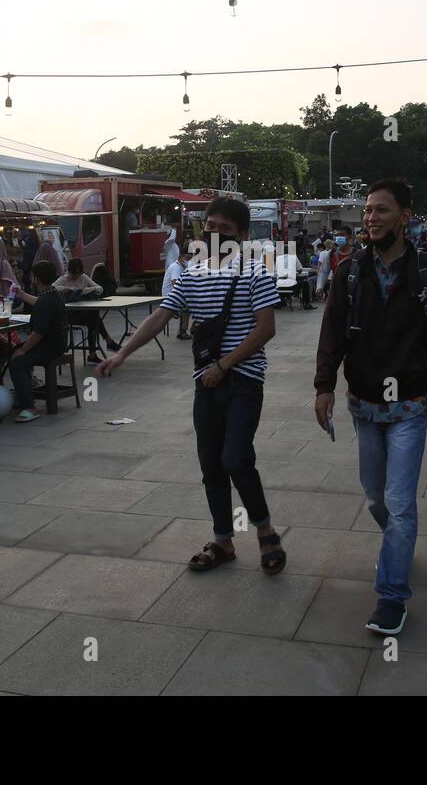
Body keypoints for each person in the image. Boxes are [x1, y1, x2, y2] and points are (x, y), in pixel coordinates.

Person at [97, 197, 286, 576]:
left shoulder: (255, 271)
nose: (215, 233)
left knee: (236, 458)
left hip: (244, 380)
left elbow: (266, 328)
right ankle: (223, 540)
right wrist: (123, 353)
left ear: (242, 235)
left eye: (225, 229)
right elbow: (162, 315)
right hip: (207, 383)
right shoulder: (190, 272)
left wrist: (224, 364)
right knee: (211, 465)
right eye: (211, 226)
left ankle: (265, 531)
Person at [314, 180, 427, 636]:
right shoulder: (349, 271)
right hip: (365, 406)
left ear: (405, 216)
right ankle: (400, 545)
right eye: (368, 210)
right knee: (375, 498)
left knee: (398, 502)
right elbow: (332, 332)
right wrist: (324, 386)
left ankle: (392, 596)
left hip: (410, 406)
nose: (371, 218)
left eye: (381, 210)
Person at [7, 261, 70, 422]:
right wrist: (21, 294)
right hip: (56, 342)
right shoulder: (52, 294)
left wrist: (23, 350)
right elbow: (39, 302)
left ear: (36, 279)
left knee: (17, 361)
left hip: (50, 346)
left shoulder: (47, 300)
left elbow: (38, 333)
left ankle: (29, 406)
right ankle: (25, 392)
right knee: (14, 352)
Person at [56, 257, 120, 362]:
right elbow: (54, 288)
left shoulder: (84, 278)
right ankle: (105, 344)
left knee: (93, 317)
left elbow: (100, 289)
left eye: (78, 274)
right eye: (74, 274)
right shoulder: (63, 279)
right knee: (94, 317)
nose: (76, 277)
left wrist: (91, 289)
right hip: (70, 316)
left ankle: (93, 353)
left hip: (84, 313)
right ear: (69, 272)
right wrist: (69, 289)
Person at [161, 248, 192, 339]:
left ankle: (194, 329)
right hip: (169, 295)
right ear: (181, 257)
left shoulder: (183, 267)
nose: (188, 261)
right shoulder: (176, 267)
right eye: (187, 258)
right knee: (187, 307)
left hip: (175, 293)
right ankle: (182, 332)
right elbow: (176, 285)